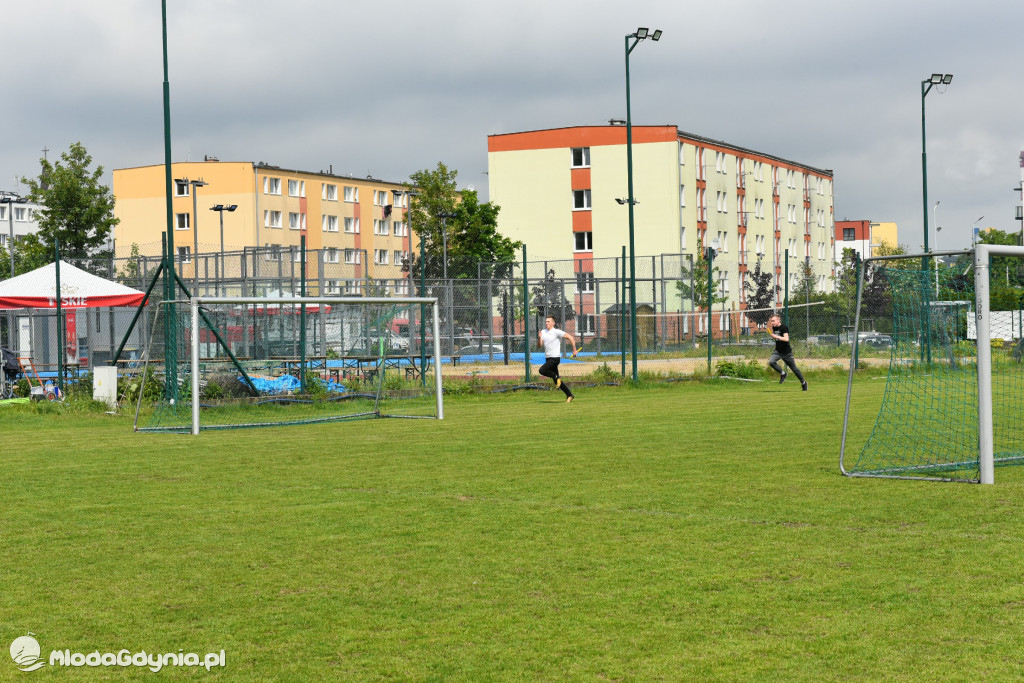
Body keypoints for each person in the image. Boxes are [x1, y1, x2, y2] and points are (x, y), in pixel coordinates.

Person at [537, 315, 576, 402]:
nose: (546, 323)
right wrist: (539, 337)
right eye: (546, 321)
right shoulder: (543, 332)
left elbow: (570, 337)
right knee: (556, 381)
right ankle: (569, 395)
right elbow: (539, 346)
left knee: (542, 370)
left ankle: (556, 376)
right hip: (548, 358)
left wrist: (574, 349)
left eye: (548, 322)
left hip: (555, 358)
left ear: (553, 323)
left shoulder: (556, 332)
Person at [766, 314, 807, 391]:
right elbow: (778, 339)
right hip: (778, 351)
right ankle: (783, 373)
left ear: (778, 320)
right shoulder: (774, 327)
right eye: (771, 321)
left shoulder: (784, 327)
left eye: (773, 321)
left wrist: (776, 336)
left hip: (786, 353)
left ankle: (803, 383)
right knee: (771, 362)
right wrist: (775, 337)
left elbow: (786, 339)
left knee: (794, 369)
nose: (772, 323)